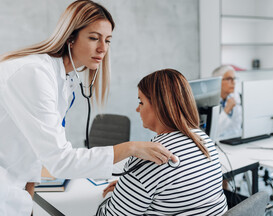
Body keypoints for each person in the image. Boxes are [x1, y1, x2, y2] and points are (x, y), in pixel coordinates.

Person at [0, 0, 176, 215]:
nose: (103, 49)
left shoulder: (63, 81)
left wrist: (30, 189)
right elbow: (60, 159)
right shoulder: (33, 73)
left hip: (10, 187)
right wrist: (132, 147)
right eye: (94, 38)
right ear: (70, 38)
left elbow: (40, 147)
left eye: (107, 40)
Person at [96, 69, 228, 216]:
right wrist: (128, 190)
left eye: (141, 102)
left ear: (158, 106)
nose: (137, 109)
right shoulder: (204, 141)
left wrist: (113, 197)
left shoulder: (150, 158)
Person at [212, 65, 242, 139]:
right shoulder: (209, 103)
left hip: (234, 139)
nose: (233, 82)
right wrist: (227, 110)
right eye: (229, 79)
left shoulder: (235, 97)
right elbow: (213, 132)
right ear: (218, 81)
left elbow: (237, 127)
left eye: (234, 79)